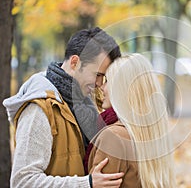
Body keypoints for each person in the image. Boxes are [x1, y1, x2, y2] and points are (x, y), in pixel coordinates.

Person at [3, 27, 124, 187]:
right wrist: (86, 184)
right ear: (75, 62)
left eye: (104, 77)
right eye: (97, 75)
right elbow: (22, 181)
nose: (100, 84)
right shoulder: (39, 108)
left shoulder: (85, 104)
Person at [87, 54, 176, 187]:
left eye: (107, 81)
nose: (101, 87)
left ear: (121, 88)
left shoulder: (114, 136)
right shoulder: (152, 131)